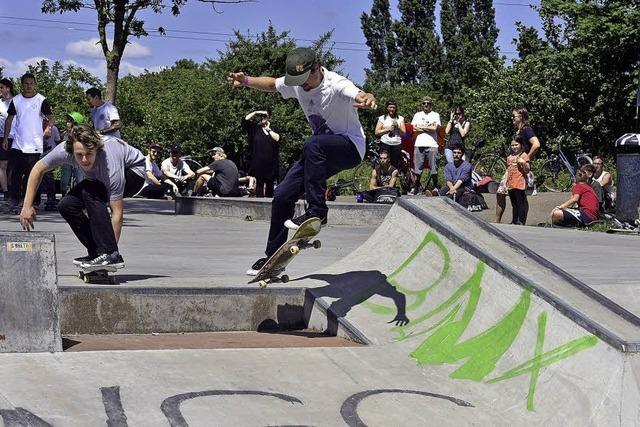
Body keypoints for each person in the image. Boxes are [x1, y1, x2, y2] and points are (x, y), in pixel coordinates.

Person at [227, 47, 377, 275]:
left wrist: (366, 98)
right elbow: (270, 84)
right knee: (282, 195)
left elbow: (357, 93)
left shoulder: (336, 83)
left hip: (350, 148)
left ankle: (317, 211)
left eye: (307, 80)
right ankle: (273, 258)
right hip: (320, 154)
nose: (303, 86)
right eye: (299, 82)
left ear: (317, 67)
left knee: (312, 144)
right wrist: (245, 80)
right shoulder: (297, 83)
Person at [19, 124, 146, 269]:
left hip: (133, 172)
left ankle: (109, 253)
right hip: (100, 177)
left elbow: (117, 212)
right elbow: (38, 169)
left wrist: (112, 256)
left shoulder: (109, 161)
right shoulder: (63, 150)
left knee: (92, 191)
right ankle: (96, 252)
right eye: (79, 155)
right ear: (71, 151)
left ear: (96, 149)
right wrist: (27, 205)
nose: (85, 160)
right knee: (67, 205)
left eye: (89, 154)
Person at [2, 73, 55, 209]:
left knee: (32, 174)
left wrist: (48, 128)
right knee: (15, 174)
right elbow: (9, 119)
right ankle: (14, 200)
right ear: (22, 84)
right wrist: (6, 138)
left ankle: (34, 201)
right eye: (26, 83)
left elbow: (50, 117)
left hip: (34, 144)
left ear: (34, 84)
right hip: (18, 143)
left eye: (31, 83)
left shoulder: (41, 100)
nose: (29, 86)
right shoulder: (17, 100)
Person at [496, 107, 541, 223]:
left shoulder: (526, 130)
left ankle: (521, 222)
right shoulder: (518, 131)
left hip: (521, 168)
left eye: (514, 116)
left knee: (520, 196)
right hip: (512, 168)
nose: (512, 118)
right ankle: (508, 221)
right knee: (506, 193)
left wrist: (526, 158)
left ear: (521, 117)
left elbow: (536, 144)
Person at [242, 109, 280, 197]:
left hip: (271, 164)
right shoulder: (255, 129)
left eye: (265, 116)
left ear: (270, 118)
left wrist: (269, 129)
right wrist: (256, 112)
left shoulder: (274, 129)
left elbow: (277, 138)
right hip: (258, 163)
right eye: (261, 116)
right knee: (259, 185)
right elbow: (245, 120)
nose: (262, 118)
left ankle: (270, 206)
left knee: (270, 186)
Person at [410, 96, 441, 194]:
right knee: (417, 168)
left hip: (432, 144)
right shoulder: (417, 115)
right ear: (421, 104)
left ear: (431, 104)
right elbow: (414, 129)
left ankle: (435, 187)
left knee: (434, 168)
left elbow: (434, 128)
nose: (426, 105)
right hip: (419, 144)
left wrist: (421, 127)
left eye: (428, 103)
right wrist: (428, 126)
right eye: (424, 103)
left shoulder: (435, 115)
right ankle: (416, 187)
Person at [60, 112, 88, 194]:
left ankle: (81, 198)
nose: (67, 123)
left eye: (69, 121)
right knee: (64, 181)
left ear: (75, 123)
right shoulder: (65, 134)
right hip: (67, 160)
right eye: (67, 121)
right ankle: (63, 195)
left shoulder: (82, 135)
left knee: (80, 180)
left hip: (78, 161)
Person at [505, 136, 530, 225]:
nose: (514, 147)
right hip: (511, 183)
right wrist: (505, 182)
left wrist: (523, 162)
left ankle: (521, 220)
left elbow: (527, 170)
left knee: (520, 203)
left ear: (521, 145)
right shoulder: (510, 157)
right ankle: (514, 220)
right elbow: (508, 170)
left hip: (520, 183)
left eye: (516, 144)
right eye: (512, 145)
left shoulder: (524, 155)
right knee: (514, 203)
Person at [375, 100, 406, 167]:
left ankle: (392, 177)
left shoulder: (400, 118)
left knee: (394, 164)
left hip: (396, 144)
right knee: (383, 163)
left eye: (393, 107)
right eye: (390, 107)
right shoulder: (382, 118)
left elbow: (403, 133)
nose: (392, 109)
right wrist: (387, 129)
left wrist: (398, 127)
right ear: (387, 108)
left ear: (396, 108)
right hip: (385, 143)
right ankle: (383, 176)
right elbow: (377, 132)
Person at [39, 121, 61, 209]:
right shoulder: (36, 127)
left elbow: (58, 140)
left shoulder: (53, 129)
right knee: (40, 176)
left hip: (49, 152)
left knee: (49, 176)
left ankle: (51, 197)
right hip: (38, 152)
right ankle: (36, 198)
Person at [0, 78, 16, 201]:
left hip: (17, 137)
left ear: (8, 88)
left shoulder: (17, 102)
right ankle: (6, 191)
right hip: (2, 137)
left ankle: (13, 188)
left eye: (1, 88)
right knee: (3, 165)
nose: (0, 90)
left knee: (14, 166)